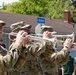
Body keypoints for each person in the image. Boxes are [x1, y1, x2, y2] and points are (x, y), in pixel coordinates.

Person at [9, 24, 74, 75]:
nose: (28, 34)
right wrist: (65, 48)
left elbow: (62, 62)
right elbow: (55, 59)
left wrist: (67, 50)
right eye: (25, 32)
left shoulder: (47, 46)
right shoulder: (17, 47)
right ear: (17, 33)